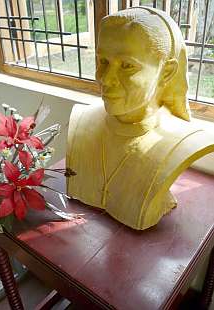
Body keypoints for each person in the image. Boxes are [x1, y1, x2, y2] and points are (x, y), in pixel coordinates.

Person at [66, 7, 214, 230]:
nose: (106, 79)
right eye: (103, 61)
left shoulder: (187, 140)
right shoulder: (81, 120)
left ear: (166, 71)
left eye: (127, 66)